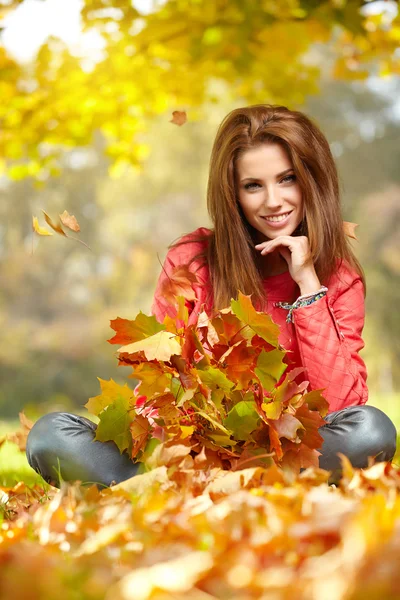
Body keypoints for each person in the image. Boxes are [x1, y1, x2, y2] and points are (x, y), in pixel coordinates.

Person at [26, 104, 397, 489]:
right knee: (51, 435)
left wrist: (307, 285)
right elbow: (157, 382)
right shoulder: (192, 260)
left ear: (312, 181)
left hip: (286, 452)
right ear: (232, 194)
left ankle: (189, 490)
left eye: (287, 179)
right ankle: (214, 485)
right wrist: (185, 442)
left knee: (371, 430)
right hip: (188, 450)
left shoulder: (337, 277)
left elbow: (342, 407)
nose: (273, 201)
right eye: (253, 185)